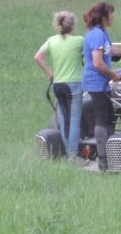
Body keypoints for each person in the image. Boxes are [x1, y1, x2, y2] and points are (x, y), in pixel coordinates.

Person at [82, 2, 121, 171]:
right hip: (96, 82)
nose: (113, 17)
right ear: (104, 17)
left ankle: (110, 154)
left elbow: (109, 50)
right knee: (102, 119)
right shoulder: (97, 35)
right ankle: (104, 159)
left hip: (101, 83)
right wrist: (113, 75)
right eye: (111, 14)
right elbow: (97, 62)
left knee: (108, 116)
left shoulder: (101, 33)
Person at [34, 11, 85, 161]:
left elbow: (38, 57)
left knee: (64, 118)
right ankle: (73, 154)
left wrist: (50, 73)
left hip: (58, 84)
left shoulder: (51, 41)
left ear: (57, 25)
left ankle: (69, 152)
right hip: (74, 84)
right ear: (73, 25)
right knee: (75, 119)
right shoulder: (79, 41)